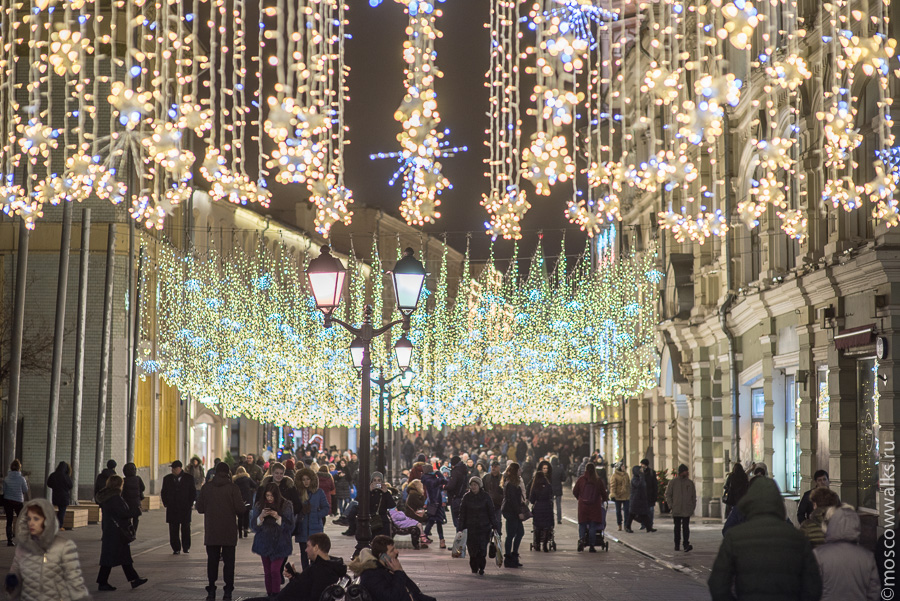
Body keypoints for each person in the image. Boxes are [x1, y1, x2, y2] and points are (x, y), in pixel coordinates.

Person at [708, 477, 821, 601]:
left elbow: (717, 584)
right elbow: (813, 586)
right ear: (778, 501)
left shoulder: (735, 538)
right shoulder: (797, 538)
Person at [3, 498, 90, 600]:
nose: (31, 523)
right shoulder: (23, 547)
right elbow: (15, 570)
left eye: (36, 519)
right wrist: (11, 583)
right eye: (29, 519)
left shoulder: (63, 546)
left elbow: (74, 579)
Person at [197, 461, 247, 601]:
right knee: (229, 563)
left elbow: (200, 508)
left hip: (212, 531)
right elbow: (240, 509)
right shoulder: (233, 488)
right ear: (228, 473)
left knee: (212, 562)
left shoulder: (207, 488)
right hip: (229, 532)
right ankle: (228, 591)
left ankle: (211, 590)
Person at [245, 533, 346, 601]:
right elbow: (307, 585)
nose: (306, 550)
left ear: (316, 548)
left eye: (308, 546)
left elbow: (312, 596)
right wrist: (295, 576)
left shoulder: (322, 570)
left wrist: (297, 581)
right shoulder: (323, 565)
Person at [813, 506, 879, 600]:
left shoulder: (819, 554)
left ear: (832, 525)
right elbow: (873, 592)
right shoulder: (867, 556)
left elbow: (811, 589)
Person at [95, 475, 148, 591]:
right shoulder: (115, 498)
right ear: (118, 485)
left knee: (124, 558)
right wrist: (137, 511)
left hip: (112, 531)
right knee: (110, 559)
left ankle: (134, 579)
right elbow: (123, 513)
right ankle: (103, 582)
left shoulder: (108, 496)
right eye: (122, 484)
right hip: (116, 533)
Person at [350, 535, 437, 601]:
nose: (396, 551)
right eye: (392, 550)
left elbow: (413, 589)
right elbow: (392, 597)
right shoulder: (372, 575)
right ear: (382, 556)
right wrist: (399, 572)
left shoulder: (387, 568)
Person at [251, 482, 296, 597]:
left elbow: (290, 526)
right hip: (264, 542)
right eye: (267, 496)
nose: (269, 499)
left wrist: (277, 517)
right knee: (267, 572)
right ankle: (269, 594)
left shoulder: (286, 504)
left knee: (275, 570)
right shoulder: (259, 505)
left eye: (271, 496)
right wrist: (261, 517)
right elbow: (253, 526)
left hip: (280, 543)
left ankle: (276, 595)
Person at [459, 476, 501, 575]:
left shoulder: (486, 497)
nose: (473, 487)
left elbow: (491, 512)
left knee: (482, 549)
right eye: (471, 485)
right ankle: (474, 567)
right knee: (472, 550)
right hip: (470, 528)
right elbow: (462, 513)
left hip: (483, 528)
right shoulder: (466, 497)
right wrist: (460, 528)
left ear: (479, 485)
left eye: (475, 485)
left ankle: (481, 567)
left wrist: (495, 526)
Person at [295, 467, 330, 570]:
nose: (306, 482)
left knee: (315, 553)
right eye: (303, 479)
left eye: (308, 479)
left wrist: (316, 515)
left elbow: (326, 508)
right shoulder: (299, 493)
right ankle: (306, 574)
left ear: (312, 480)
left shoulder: (319, 492)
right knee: (304, 553)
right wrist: (301, 510)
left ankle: (314, 573)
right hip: (302, 527)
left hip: (315, 528)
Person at [160, 459, 197, 554]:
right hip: (172, 508)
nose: (172, 470)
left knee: (186, 528)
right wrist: (166, 503)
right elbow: (163, 492)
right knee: (173, 529)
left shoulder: (188, 478)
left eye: (174, 468)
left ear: (180, 468)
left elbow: (193, 492)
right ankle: (176, 548)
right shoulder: (167, 479)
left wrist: (190, 503)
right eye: (172, 468)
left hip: (185, 508)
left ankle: (186, 547)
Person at [572, 463, 608, 552]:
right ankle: (592, 545)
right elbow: (604, 493)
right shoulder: (598, 480)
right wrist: (604, 500)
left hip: (583, 507)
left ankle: (581, 540)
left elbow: (575, 491)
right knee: (592, 526)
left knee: (582, 524)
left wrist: (579, 498)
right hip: (594, 507)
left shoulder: (581, 479)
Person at [665, 464, 697, 552]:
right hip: (677, 508)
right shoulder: (673, 482)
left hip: (687, 509)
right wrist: (671, 505)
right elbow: (668, 494)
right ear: (681, 472)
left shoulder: (690, 483)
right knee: (677, 527)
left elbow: (693, 496)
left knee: (686, 527)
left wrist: (692, 506)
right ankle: (677, 544)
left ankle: (686, 544)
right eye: (685, 471)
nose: (687, 472)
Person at [501, 461, 526, 568]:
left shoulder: (514, 482)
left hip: (512, 511)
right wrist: (519, 512)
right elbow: (513, 500)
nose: (521, 471)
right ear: (516, 471)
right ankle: (509, 558)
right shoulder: (510, 484)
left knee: (519, 532)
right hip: (511, 512)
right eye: (519, 469)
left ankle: (514, 555)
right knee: (511, 535)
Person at [421, 464, 447, 549]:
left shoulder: (428, 478)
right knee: (437, 521)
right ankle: (441, 540)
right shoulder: (430, 480)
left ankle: (424, 537)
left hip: (433, 502)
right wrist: (439, 473)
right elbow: (444, 481)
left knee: (431, 521)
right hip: (435, 503)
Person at [529, 467, 554, 552]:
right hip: (547, 507)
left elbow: (532, 499)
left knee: (538, 526)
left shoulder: (535, 486)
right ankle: (545, 545)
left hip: (538, 507)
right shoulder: (548, 485)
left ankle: (537, 544)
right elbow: (551, 495)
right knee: (547, 526)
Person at [3, 459, 28, 546]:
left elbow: (4, 491)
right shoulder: (22, 479)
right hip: (18, 501)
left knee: (9, 520)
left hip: (8, 501)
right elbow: (25, 490)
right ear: (19, 468)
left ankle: (9, 540)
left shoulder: (6, 478)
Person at [46, 461, 73, 529]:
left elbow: (49, 484)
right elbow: (71, 486)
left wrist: (55, 487)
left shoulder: (53, 475)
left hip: (55, 496)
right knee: (62, 511)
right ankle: (59, 525)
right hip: (64, 497)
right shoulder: (66, 476)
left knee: (56, 510)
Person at [233, 466, 258, 538]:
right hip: (247, 499)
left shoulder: (235, 480)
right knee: (246, 515)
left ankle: (240, 532)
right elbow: (255, 485)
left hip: (238, 499)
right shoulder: (247, 479)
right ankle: (246, 531)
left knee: (240, 516)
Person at [481, 460, 504, 537]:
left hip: (498, 504)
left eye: (495, 467)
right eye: (492, 467)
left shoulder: (502, 478)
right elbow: (482, 489)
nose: (494, 468)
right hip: (488, 504)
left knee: (497, 521)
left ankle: (498, 535)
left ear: (499, 468)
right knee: (487, 521)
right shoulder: (486, 477)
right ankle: (488, 535)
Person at [121, 462, 145, 534]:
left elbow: (121, 491)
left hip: (126, 502)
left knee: (127, 518)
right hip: (136, 502)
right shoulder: (138, 479)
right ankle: (134, 531)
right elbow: (143, 488)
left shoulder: (124, 480)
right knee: (136, 518)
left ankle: (128, 531)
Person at [446, 456, 468, 531]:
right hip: (463, 496)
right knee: (462, 519)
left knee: (457, 521)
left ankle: (459, 538)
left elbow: (452, 485)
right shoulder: (464, 469)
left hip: (455, 497)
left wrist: (445, 487)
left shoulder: (456, 471)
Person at [609, 462, 631, 532]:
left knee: (627, 511)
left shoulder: (626, 474)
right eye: (622, 466)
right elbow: (613, 486)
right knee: (618, 511)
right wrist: (613, 494)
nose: (624, 467)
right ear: (619, 467)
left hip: (626, 496)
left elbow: (629, 484)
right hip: (618, 496)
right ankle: (619, 524)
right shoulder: (614, 476)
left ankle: (626, 525)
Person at [640, 458, 658, 531]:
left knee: (650, 511)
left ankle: (650, 525)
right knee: (643, 511)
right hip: (642, 495)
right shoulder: (640, 472)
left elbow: (655, 485)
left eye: (642, 464)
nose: (641, 465)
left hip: (650, 495)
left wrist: (655, 495)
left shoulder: (651, 472)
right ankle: (643, 524)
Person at [549, 456, 564, 525]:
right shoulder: (560, 469)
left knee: (550, 504)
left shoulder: (549, 470)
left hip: (551, 488)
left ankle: (550, 518)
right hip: (558, 488)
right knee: (558, 504)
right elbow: (563, 478)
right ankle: (559, 519)